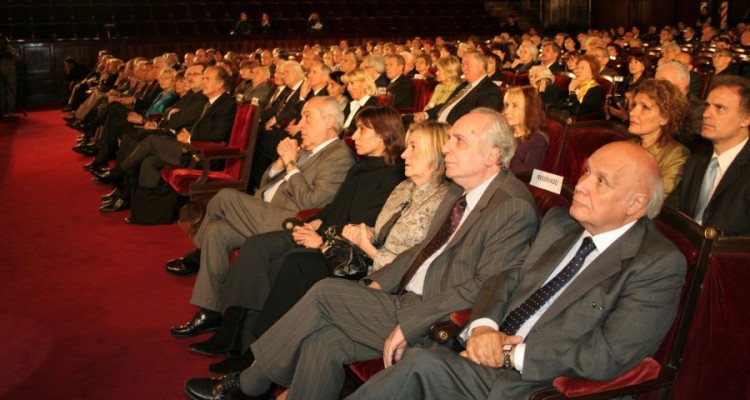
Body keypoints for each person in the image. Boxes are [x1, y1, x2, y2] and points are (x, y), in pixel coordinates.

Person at [183, 108, 541, 400]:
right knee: (323, 343)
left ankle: (249, 384)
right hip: (402, 299)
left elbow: (487, 285)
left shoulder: (509, 206)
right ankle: (253, 379)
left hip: (436, 319)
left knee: (325, 292)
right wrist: (376, 283)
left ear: (493, 155)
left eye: (459, 141)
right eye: (449, 140)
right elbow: (420, 250)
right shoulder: (459, 193)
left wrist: (412, 322)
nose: (447, 148)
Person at [347, 141, 686, 399]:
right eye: (586, 172)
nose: (581, 185)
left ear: (636, 204)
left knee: (421, 366)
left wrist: (509, 354)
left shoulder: (656, 263)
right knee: (414, 356)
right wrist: (482, 327)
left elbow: (608, 354)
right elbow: (507, 277)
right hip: (478, 353)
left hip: (536, 384)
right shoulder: (560, 225)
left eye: (602, 182)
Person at [189, 109, 429, 376]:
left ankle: (255, 352)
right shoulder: (362, 167)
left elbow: (363, 226)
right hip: (322, 232)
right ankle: (232, 333)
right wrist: (316, 222)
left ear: (385, 136)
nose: (354, 136)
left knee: (290, 262)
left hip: (342, 250)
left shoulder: (391, 175)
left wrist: (322, 238)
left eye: (362, 130)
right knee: (258, 245)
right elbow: (334, 207)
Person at [162, 96, 354, 287]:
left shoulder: (339, 156)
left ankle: (197, 255)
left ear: (329, 121)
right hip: (264, 210)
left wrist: (291, 164)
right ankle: (211, 309)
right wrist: (279, 164)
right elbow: (265, 184)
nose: (300, 124)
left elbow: (311, 202)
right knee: (216, 230)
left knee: (225, 196)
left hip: (289, 222)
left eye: (307, 117)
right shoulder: (306, 150)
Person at [92, 66, 235, 211]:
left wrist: (191, 137)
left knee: (152, 140)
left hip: (204, 155)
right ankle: (144, 210)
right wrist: (189, 135)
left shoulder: (226, 103)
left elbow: (218, 134)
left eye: (207, 78)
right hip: (192, 147)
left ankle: (117, 172)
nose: (203, 81)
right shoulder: (211, 101)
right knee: (149, 160)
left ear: (220, 83)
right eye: (203, 78)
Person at [666, 75, 750, 236]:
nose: (706, 114)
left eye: (719, 108)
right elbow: (671, 212)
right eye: (707, 106)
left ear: (746, 119)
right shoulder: (697, 160)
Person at [628, 78, 690, 195]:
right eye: (634, 105)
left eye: (645, 107)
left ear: (664, 118)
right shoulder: (627, 144)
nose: (632, 112)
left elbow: (658, 200)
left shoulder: (677, 155)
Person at [416, 51, 503, 124]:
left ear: (481, 66)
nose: (464, 68)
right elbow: (446, 105)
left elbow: (480, 122)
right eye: (463, 64)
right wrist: (425, 114)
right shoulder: (464, 85)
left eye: (467, 64)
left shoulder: (490, 91)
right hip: (437, 124)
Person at [503, 86, 549, 174]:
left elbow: (526, 176)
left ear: (529, 109)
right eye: (507, 105)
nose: (507, 111)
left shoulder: (537, 140)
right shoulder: (503, 133)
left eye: (515, 106)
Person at [341, 68, 379, 136]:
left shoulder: (372, 106)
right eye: (347, 84)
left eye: (352, 83)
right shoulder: (350, 104)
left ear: (364, 83)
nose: (349, 88)